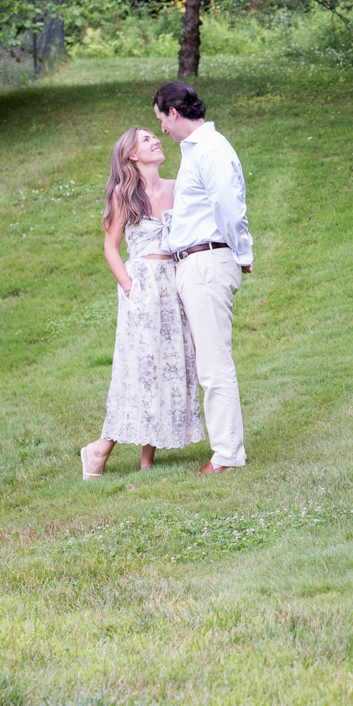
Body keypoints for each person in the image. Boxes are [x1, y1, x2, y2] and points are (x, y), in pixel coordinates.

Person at [80, 127, 205, 479]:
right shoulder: (125, 193)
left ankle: (147, 460)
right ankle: (97, 450)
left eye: (155, 136)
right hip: (143, 286)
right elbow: (110, 247)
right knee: (141, 368)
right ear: (133, 154)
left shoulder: (176, 188)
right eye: (147, 139)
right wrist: (130, 288)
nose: (155, 141)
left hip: (174, 282)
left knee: (167, 364)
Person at [153, 81, 253, 474]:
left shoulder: (210, 150)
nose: (161, 128)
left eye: (161, 119)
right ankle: (226, 450)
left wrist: (242, 252)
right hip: (195, 264)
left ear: (174, 113)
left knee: (214, 364)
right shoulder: (195, 151)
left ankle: (227, 456)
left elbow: (230, 209)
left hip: (207, 263)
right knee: (208, 362)